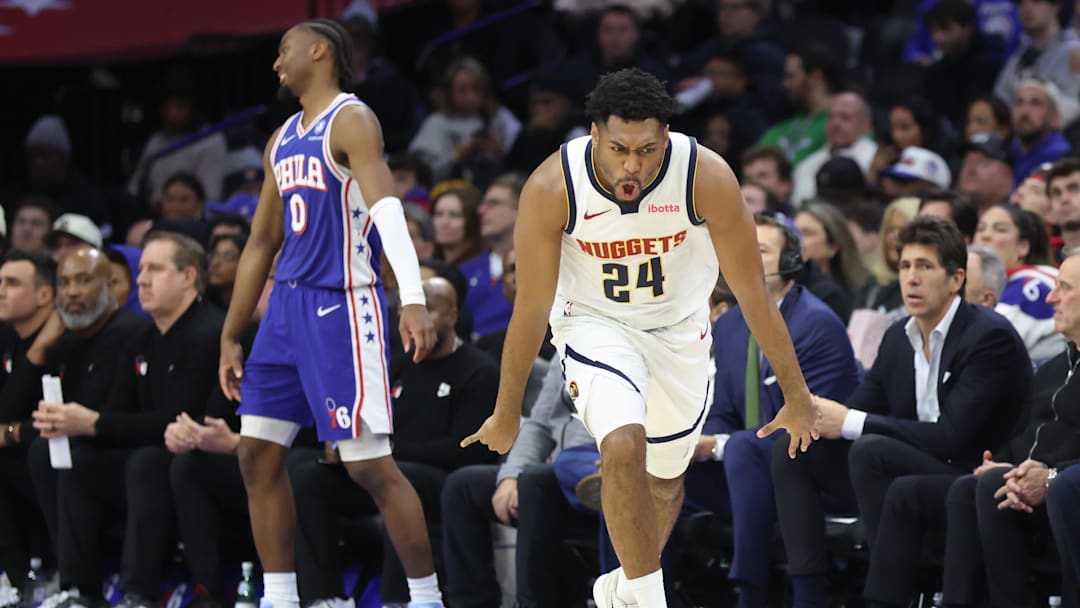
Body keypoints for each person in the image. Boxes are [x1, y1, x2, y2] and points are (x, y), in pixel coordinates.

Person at [461, 68, 818, 608]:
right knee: (623, 442)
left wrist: (798, 395)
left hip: (680, 332)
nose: (634, 165)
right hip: (594, 325)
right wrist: (507, 408)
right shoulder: (552, 186)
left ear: (667, 137)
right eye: (621, 148)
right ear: (594, 134)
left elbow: (754, 296)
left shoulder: (706, 177)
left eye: (649, 149)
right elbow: (530, 308)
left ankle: (622, 589)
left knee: (666, 480)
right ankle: (650, 601)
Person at [218, 19, 442, 608]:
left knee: (370, 467)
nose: (276, 62)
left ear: (318, 50)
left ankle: (426, 598)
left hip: (340, 306)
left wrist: (412, 298)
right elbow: (260, 244)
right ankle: (280, 597)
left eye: (283, 49)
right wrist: (231, 333)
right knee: (256, 454)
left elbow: (389, 210)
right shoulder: (283, 137)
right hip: (285, 309)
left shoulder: (352, 119)